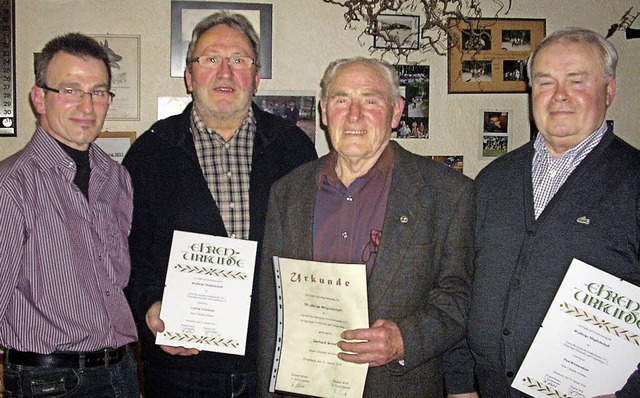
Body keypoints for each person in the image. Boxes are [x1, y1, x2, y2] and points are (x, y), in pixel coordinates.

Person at [122, 11, 317, 397]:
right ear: (190, 76)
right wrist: (150, 308)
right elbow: (129, 255)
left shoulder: (295, 149)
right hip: (183, 369)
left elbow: (312, 248)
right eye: (210, 59)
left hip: (274, 366)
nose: (225, 72)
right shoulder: (149, 153)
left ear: (256, 78)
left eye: (239, 60)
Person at [257, 57, 475, 397]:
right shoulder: (287, 192)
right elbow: (273, 308)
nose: (354, 115)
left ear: (397, 111)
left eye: (370, 100)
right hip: (303, 388)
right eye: (342, 99)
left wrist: (405, 339)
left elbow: (461, 297)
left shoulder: (449, 194)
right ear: (325, 111)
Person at [444, 27, 640, 398]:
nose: (560, 95)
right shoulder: (492, 181)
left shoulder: (634, 183)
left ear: (609, 91)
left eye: (577, 81)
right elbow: (463, 286)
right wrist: (460, 384)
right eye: (545, 82)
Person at [0, 33, 139, 396]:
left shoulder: (118, 178)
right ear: (39, 98)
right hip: (50, 382)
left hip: (121, 371)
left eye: (98, 92)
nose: (87, 105)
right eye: (71, 90)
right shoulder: (12, 184)